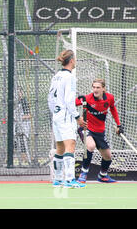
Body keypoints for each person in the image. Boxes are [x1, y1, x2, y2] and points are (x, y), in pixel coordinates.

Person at [48, 49, 86, 188]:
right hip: (65, 116)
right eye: (74, 59)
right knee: (70, 145)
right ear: (71, 60)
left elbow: (50, 97)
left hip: (57, 116)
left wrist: (55, 112)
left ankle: (58, 179)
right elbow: (69, 100)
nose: (75, 61)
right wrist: (77, 117)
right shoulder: (70, 77)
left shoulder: (56, 76)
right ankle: (70, 180)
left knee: (60, 147)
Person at [76, 78, 122, 183]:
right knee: (90, 146)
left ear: (103, 89)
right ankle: (83, 173)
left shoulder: (110, 98)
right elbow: (70, 105)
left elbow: (113, 109)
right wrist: (78, 118)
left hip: (100, 132)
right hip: (86, 128)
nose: (95, 90)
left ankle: (102, 175)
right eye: (94, 87)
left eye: (98, 87)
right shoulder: (86, 98)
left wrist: (118, 125)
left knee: (108, 156)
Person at [14, 87, 32, 165]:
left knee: (23, 142)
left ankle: (26, 160)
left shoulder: (24, 102)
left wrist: (20, 118)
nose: (18, 94)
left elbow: (29, 115)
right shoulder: (15, 103)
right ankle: (19, 160)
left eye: (19, 92)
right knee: (15, 142)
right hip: (17, 126)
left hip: (24, 126)